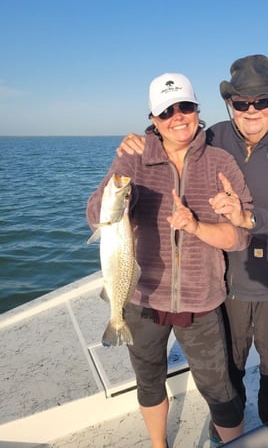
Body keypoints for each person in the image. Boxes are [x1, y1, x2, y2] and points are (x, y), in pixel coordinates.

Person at [117, 55, 268, 432]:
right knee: (230, 372)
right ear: (230, 104)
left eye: (261, 100)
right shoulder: (219, 136)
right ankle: (229, 435)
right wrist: (140, 141)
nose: (251, 110)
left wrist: (248, 218)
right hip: (228, 283)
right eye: (242, 103)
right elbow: (177, 136)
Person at [87, 72, 253, 447]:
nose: (178, 116)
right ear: (153, 119)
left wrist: (196, 226)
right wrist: (119, 195)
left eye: (186, 106)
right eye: (166, 111)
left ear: (197, 109)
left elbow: (239, 238)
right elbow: (95, 213)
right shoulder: (133, 159)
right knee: (148, 380)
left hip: (202, 301)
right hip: (141, 299)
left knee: (220, 390)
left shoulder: (220, 161)